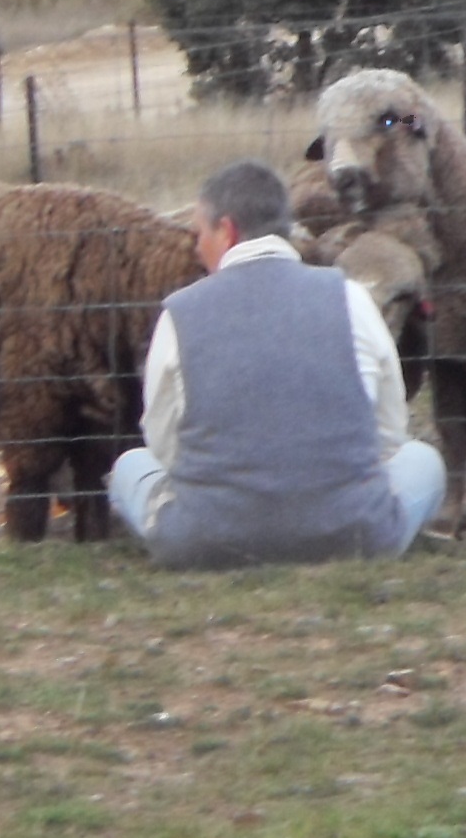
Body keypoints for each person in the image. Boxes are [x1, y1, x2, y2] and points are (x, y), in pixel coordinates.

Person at [106, 159, 448, 568]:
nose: (196, 247)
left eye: (201, 233)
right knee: (424, 460)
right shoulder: (350, 297)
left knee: (130, 465)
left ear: (227, 230)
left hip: (205, 543)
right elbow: (389, 434)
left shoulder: (178, 314)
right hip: (354, 534)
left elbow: (164, 447)